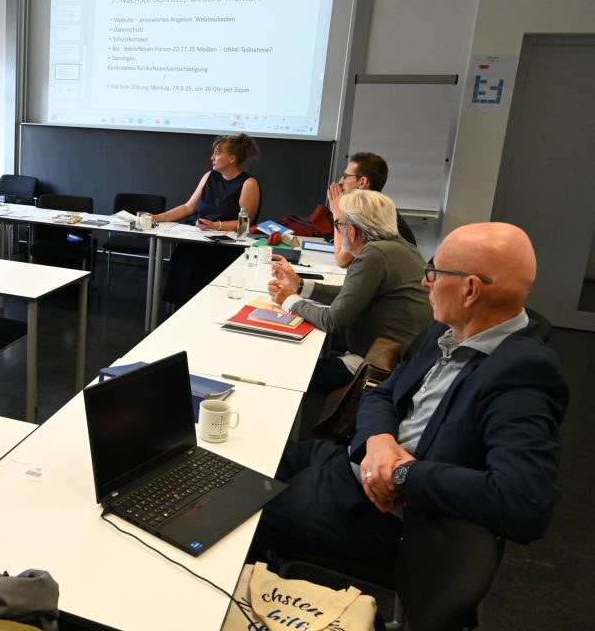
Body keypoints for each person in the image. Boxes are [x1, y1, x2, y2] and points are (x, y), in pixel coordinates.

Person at [252, 222, 569, 569]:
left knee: (241, 511)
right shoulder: (448, 329)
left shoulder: (522, 375)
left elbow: (523, 503)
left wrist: (401, 474)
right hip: (355, 463)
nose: (424, 283)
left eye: (434, 273)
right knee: (253, 463)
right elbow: (383, 393)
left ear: (470, 290)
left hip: (382, 513)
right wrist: (380, 440)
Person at [269, 190, 432, 394]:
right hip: (400, 359)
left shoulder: (374, 255)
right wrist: (301, 286)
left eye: (339, 225)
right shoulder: (403, 248)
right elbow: (351, 294)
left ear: (352, 231)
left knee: (285, 372)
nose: (338, 230)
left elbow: (333, 321)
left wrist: (290, 301)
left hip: (373, 364)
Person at [153, 133, 261, 305]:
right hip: (198, 239)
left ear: (232, 158)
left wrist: (216, 226)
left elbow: (244, 223)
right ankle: (180, 312)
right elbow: (188, 207)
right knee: (183, 258)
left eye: (217, 153)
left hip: (225, 247)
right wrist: (157, 217)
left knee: (199, 266)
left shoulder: (248, 184)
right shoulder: (209, 176)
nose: (212, 157)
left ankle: (201, 308)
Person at [328, 152, 417, 268]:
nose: (340, 182)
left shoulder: (369, 212)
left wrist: (337, 213)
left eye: (345, 176)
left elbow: (342, 260)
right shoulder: (376, 206)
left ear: (362, 182)